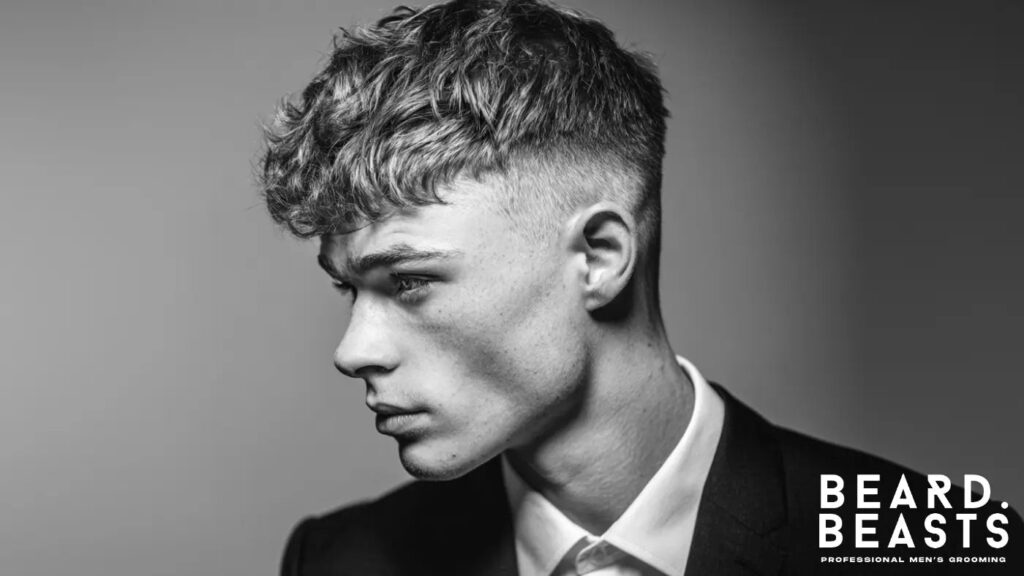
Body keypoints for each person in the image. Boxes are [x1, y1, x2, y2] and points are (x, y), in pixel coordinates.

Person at [257, 1, 1022, 574]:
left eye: (411, 281)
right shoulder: (339, 562)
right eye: (348, 291)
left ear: (599, 255)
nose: (353, 350)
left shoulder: (942, 548)